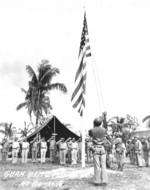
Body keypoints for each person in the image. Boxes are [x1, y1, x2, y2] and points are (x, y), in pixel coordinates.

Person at [89, 116, 108, 186]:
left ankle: (97, 181)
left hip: (95, 148)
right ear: (100, 123)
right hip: (102, 148)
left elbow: (91, 134)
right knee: (103, 165)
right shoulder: (104, 130)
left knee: (97, 165)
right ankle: (104, 180)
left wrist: (94, 127)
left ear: (94, 123)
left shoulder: (91, 130)